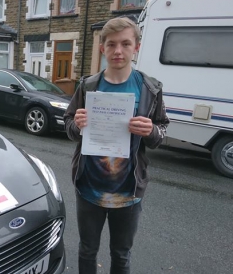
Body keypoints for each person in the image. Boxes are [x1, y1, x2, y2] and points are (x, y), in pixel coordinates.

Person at [64, 17, 169, 274]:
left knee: (121, 255)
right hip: (89, 187)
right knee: (87, 250)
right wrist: (77, 125)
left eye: (125, 43)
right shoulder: (88, 85)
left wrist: (151, 131)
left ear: (137, 47)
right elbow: (68, 125)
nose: (118, 51)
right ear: (103, 48)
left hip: (129, 191)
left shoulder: (150, 89)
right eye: (111, 44)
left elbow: (162, 130)